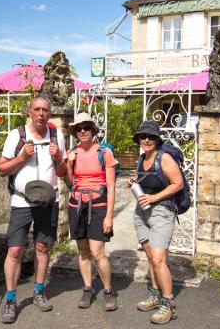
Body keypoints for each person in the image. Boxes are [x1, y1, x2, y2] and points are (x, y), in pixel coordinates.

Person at [0, 95, 67, 324]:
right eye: (36, 109)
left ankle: (38, 290)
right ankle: (10, 299)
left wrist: (58, 157)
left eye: (45, 110)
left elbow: (63, 172)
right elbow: (1, 169)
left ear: (49, 112)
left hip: (48, 201)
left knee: (42, 247)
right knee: (15, 250)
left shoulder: (57, 135)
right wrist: (22, 157)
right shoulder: (17, 135)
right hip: (21, 202)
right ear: (30, 111)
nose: (41, 113)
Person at [129, 121, 183, 325]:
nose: (147, 140)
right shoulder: (142, 158)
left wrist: (154, 198)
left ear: (157, 139)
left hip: (161, 212)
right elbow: (144, 178)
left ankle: (168, 304)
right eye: (143, 136)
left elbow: (178, 184)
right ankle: (154, 295)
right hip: (141, 212)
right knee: (151, 257)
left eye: (151, 137)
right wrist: (134, 181)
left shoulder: (165, 158)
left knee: (159, 259)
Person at [65, 112, 118, 311]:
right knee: (83, 251)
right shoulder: (73, 153)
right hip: (76, 204)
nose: (83, 131)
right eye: (79, 128)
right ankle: (88, 288)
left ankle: (107, 290)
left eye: (86, 127)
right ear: (75, 132)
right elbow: (70, 183)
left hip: (98, 205)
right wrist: (69, 163)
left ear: (93, 130)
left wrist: (109, 216)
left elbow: (111, 187)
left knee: (98, 252)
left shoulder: (104, 152)